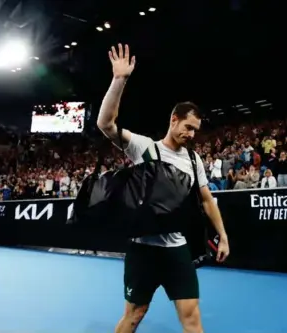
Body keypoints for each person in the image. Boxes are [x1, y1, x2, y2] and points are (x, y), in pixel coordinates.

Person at [97, 43, 230, 333]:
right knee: (134, 315)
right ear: (173, 120)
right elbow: (106, 124)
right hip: (142, 250)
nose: (191, 134)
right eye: (188, 126)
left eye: (196, 130)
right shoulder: (144, 147)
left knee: (192, 317)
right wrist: (119, 80)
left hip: (176, 250)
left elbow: (207, 201)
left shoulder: (194, 161)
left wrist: (223, 237)